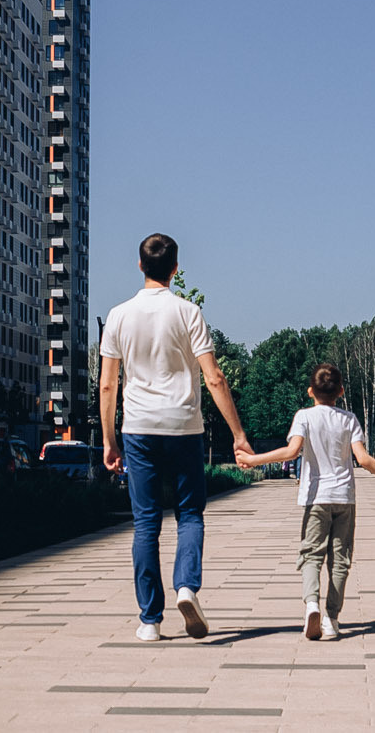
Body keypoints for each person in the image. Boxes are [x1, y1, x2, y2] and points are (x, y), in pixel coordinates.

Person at [100, 234, 252, 642]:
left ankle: (150, 620)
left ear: (139, 265)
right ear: (175, 268)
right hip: (184, 427)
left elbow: (108, 386)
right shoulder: (189, 312)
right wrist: (238, 434)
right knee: (190, 515)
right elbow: (214, 377)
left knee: (146, 523)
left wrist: (108, 440)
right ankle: (186, 586)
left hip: (138, 429)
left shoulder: (118, 316)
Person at [236, 362, 375, 641]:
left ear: (311, 391)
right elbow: (362, 460)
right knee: (340, 560)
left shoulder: (304, 416)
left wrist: (253, 460)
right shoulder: (349, 419)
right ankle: (332, 619)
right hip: (345, 499)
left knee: (311, 555)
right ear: (341, 391)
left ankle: (311, 604)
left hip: (316, 499)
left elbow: (292, 452)